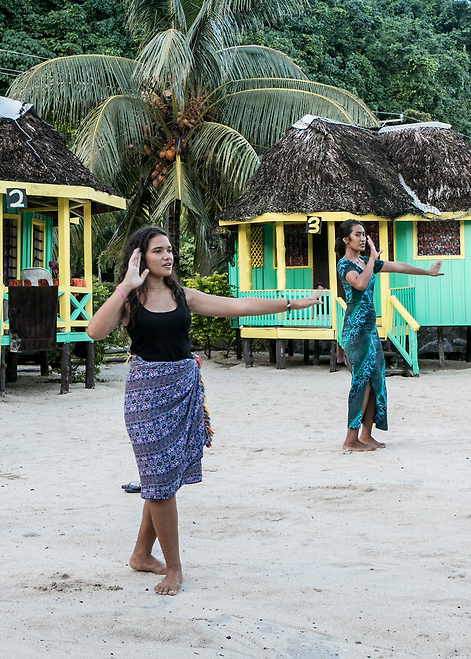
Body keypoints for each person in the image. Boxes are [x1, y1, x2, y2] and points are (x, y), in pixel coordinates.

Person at [86, 226, 325, 596]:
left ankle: (141, 555)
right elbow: (95, 331)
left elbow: (238, 306)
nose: (168, 256)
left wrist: (293, 304)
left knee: (163, 478)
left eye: (169, 250)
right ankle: (174, 569)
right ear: (139, 256)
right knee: (160, 479)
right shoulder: (130, 300)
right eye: (158, 250)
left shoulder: (182, 296)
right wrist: (125, 286)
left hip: (183, 391)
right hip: (146, 397)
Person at [335, 219, 443, 452]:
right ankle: (350, 439)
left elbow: (399, 266)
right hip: (355, 331)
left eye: (364, 234)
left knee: (376, 381)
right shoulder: (344, 264)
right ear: (346, 240)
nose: (362, 238)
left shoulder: (365, 262)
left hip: (370, 329)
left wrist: (428, 272)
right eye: (357, 234)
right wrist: (372, 259)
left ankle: (366, 435)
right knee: (361, 382)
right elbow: (360, 284)